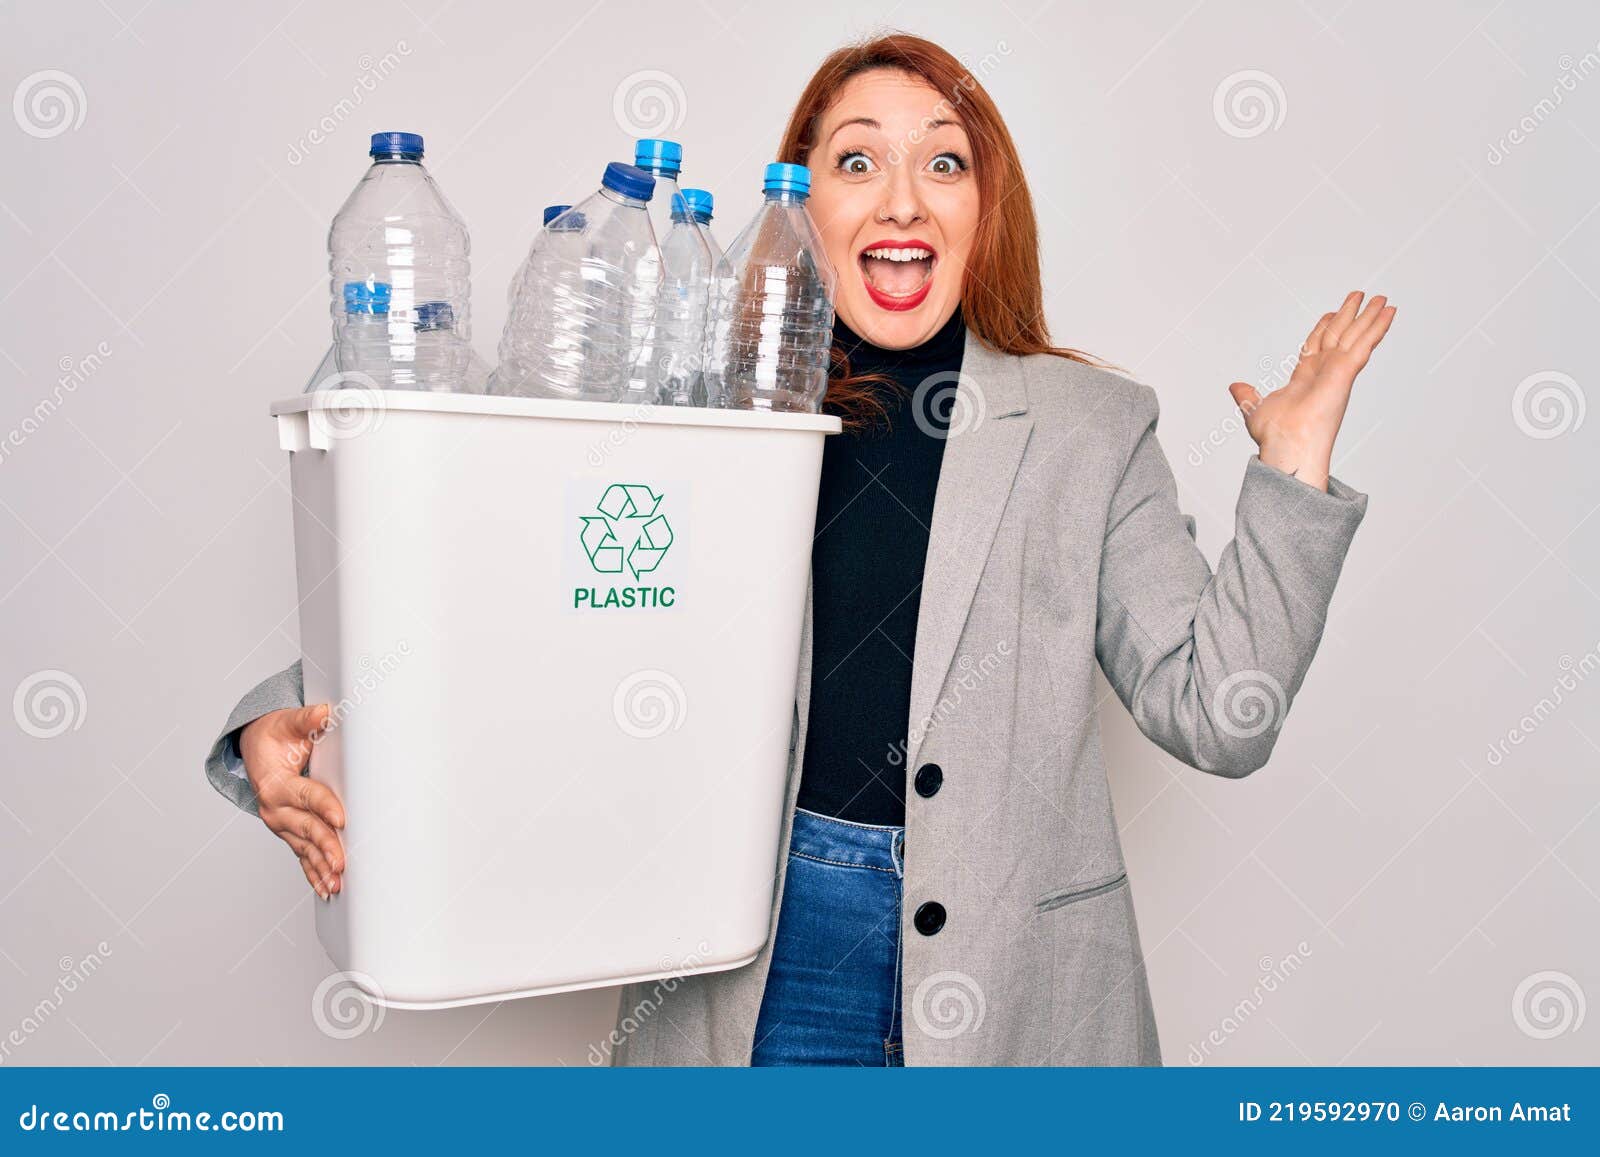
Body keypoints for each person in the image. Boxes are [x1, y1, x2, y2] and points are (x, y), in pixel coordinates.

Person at [204, 33, 1395, 1067]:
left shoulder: (1094, 427)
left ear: (988, 209)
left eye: (944, 160)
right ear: (800, 202)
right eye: (855, 160)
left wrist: (1289, 470)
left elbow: (1219, 715)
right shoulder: (689, 411)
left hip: (1014, 984)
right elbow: (495, 595)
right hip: (757, 950)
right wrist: (294, 714)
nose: (900, 200)